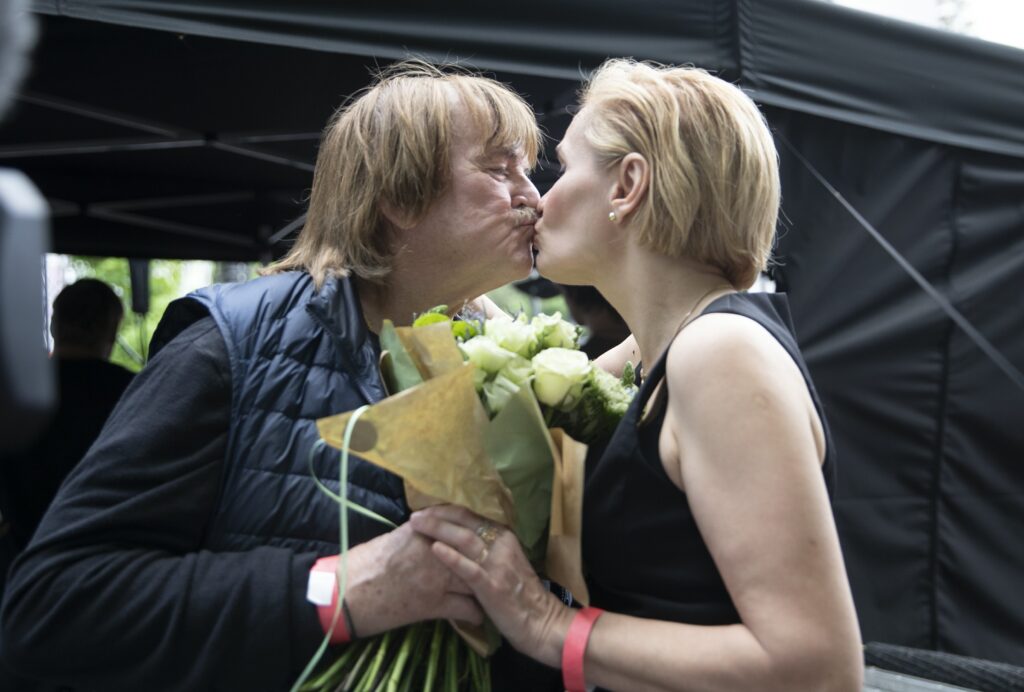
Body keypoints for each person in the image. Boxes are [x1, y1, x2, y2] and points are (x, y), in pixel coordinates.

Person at [1, 60, 557, 691]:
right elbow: (50, 608)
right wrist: (337, 590)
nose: (533, 197)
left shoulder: (503, 365)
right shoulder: (230, 344)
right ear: (400, 197)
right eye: (499, 169)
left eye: (526, 172)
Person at [411, 59, 864, 691]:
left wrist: (547, 625)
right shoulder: (659, 351)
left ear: (627, 185)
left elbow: (818, 668)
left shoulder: (720, 353)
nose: (540, 199)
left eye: (563, 169)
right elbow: (529, 390)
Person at [1, 279, 134, 556]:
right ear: (111, 332)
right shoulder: (132, 393)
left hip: (21, 554)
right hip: (103, 555)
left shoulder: (15, 392)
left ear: (53, 326)